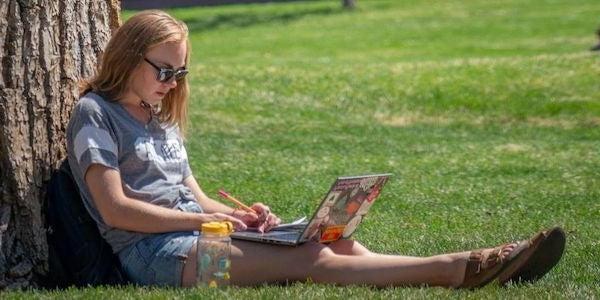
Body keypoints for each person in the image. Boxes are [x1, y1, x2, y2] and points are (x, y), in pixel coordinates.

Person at [67, 10, 566, 288]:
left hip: (199, 237)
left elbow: (193, 195)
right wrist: (207, 223)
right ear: (130, 57)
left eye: (180, 74)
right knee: (311, 261)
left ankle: (441, 269)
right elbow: (118, 210)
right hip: (159, 257)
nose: (173, 84)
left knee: (333, 241)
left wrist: (244, 216)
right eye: (164, 71)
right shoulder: (96, 114)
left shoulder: (157, 116)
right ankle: (461, 268)